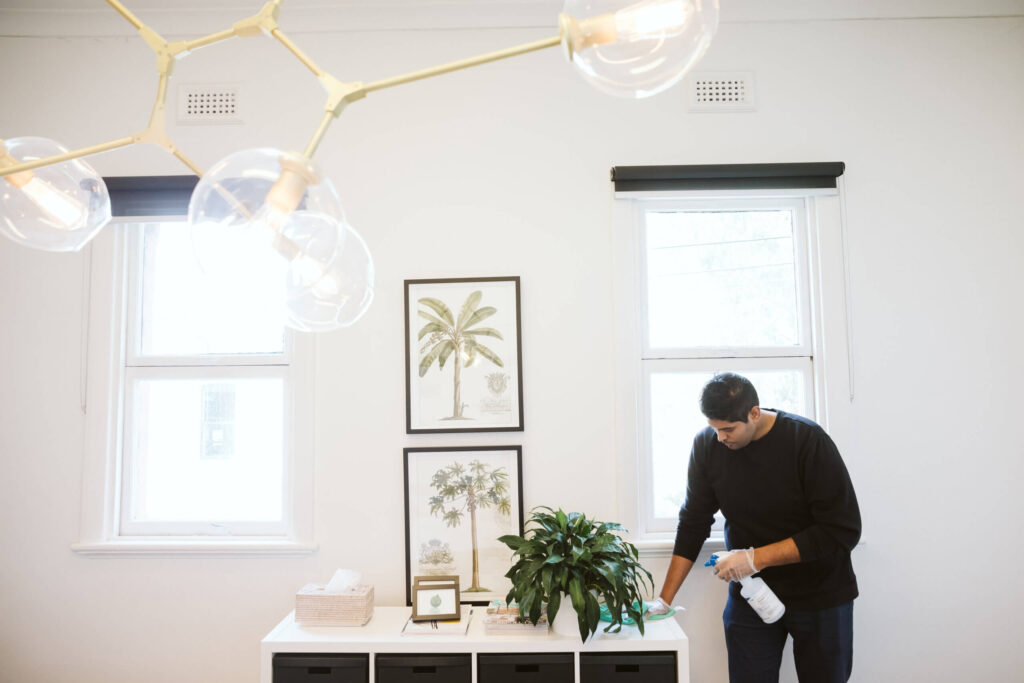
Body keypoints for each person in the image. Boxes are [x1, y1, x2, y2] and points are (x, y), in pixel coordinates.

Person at [647, 372, 861, 683]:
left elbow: (841, 530)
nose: (721, 437)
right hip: (752, 593)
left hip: (821, 592)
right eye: (715, 428)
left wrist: (753, 558)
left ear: (754, 413)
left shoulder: (807, 441)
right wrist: (664, 600)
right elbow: (693, 522)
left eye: (728, 429)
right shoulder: (708, 446)